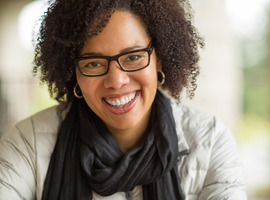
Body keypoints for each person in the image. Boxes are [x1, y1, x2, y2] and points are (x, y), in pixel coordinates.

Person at [0, 0, 247, 199]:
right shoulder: (27, 145)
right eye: (94, 63)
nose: (116, 80)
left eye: (133, 57)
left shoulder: (211, 141)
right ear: (73, 71)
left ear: (159, 58)